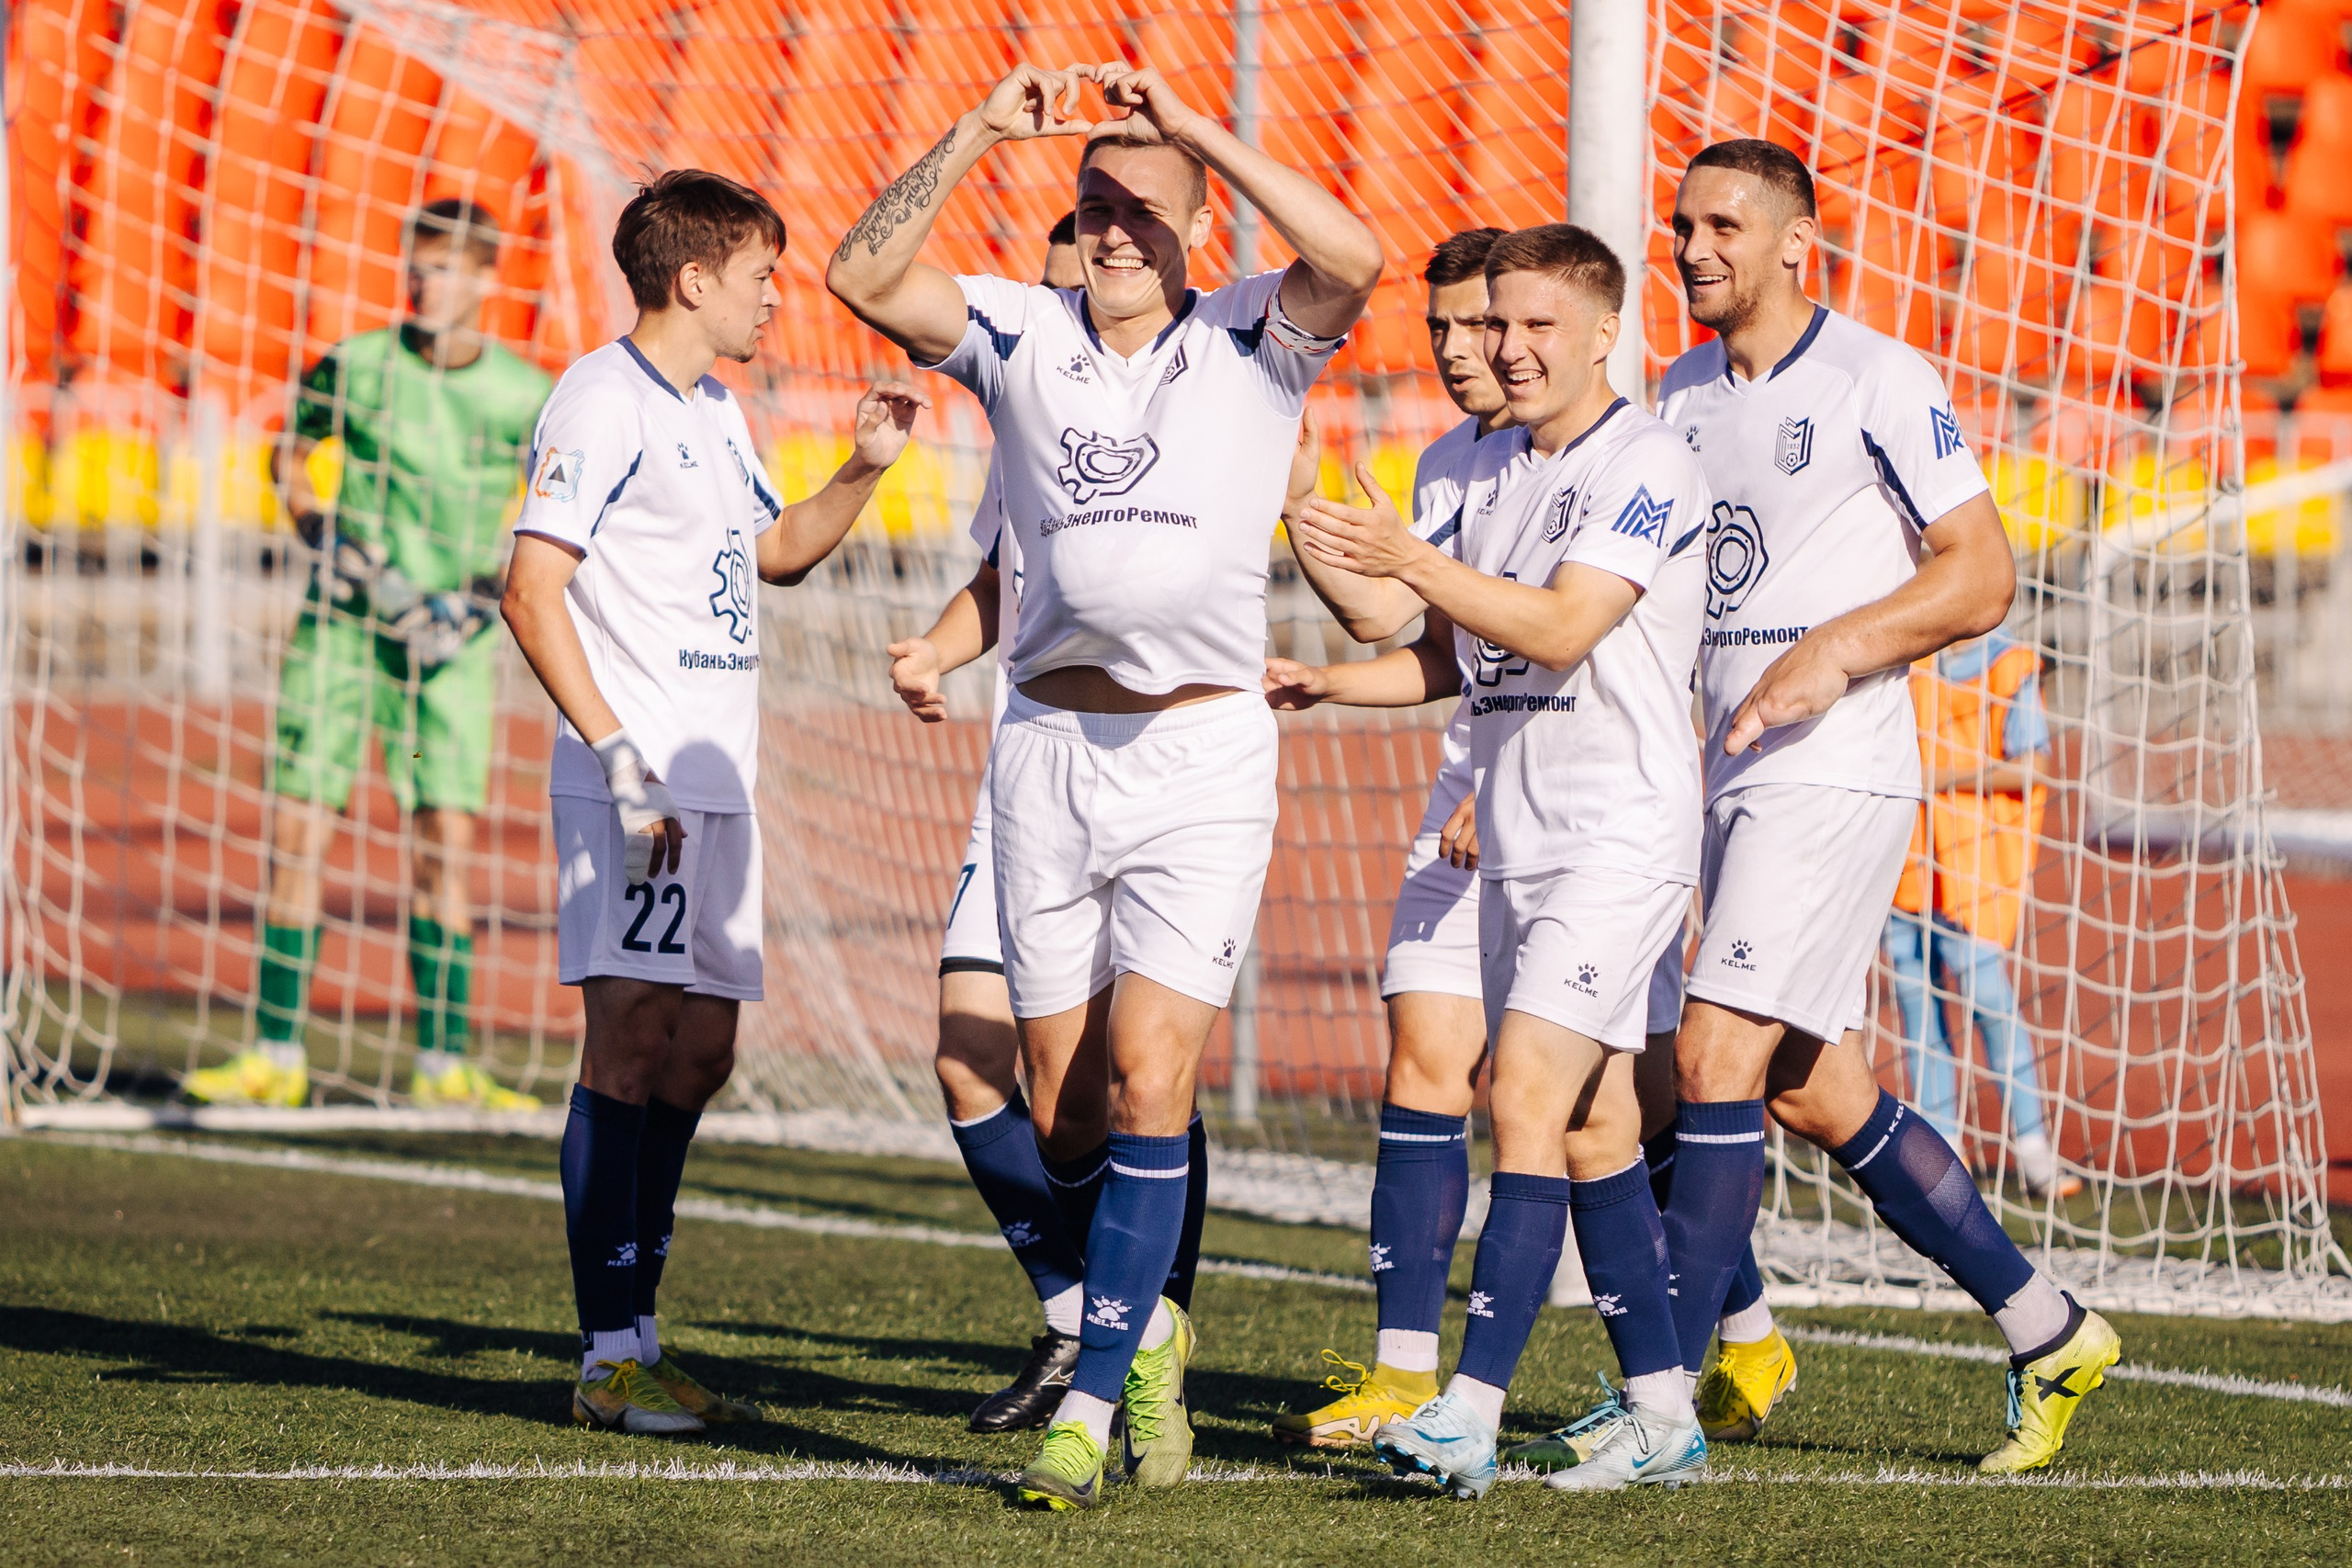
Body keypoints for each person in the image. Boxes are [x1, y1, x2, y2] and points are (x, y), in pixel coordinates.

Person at [829, 62, 1379, 1507]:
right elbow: (863, 269)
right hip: (1045, 755)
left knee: (1152, 1079)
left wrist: (1194, 129)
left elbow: (1358, 258)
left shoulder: (1260, 333)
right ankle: (1146, 1326)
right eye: (1096, 207)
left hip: (1201, 755)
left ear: (1199, 217)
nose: (1118, 228)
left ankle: (1094, 1390)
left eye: (1146, 207)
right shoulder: (1019, 328)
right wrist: (978, 133)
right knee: (1064, 1101)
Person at [1652, 139, 2117, 1476]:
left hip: (1838, 760)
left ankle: (1667, 1397)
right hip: (1730, 771)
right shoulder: (1678, 396)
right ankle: (2050, 1326)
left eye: (1726, 224)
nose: (1697, 248)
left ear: (1799, 240)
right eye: (1683, 226)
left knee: (1712, 1061)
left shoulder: (1876, 375)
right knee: (1807, 1086)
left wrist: (1834, 650)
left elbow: (1981, 575)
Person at [1277, 222, 1713, 1496]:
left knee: (1519, 1089)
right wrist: (1327, 675)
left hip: (1619, 834)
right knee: (1583, 1128)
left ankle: (1463, 1408)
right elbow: (1455, 651)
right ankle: (1661, 1410)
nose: (1503, 350)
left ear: (1597, 333)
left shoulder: (1650, 463)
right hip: (1521, 835)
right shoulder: (1505, 472)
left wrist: (1413, 559)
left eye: (1528, 327)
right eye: (1490, 325)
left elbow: (1567, 624)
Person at [502, 169, 926, 1438]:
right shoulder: (599, 395)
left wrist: (862, 467)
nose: (774, 299)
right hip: (639, 783)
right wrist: (618, 753)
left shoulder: (719, 411)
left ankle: (638, 1330)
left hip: (715, 781)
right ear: (694, 278)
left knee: (703, 1048)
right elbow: (530, 588)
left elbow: (776, 553)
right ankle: (607, 1350)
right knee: (627, 1043)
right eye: (760, 276)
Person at [886, 215, 1213, 1434]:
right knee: (976, 1056)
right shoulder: (1032, 411)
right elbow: (1001, 577)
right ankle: (1088, 1311)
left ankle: (1137, 1326)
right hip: (1030, 767)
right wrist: (935, 646)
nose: (1073, 312)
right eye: (1056, 286)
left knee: (1144, 1070)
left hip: (1165, 772)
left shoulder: (1203, 407)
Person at [187, 199, 551, 1111]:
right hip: (344, 634)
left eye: (448, 269)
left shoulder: (522, 394)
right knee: (298, 833)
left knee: (443, 848)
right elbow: (291, 450)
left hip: (446, 651)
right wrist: (328, 536)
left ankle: (443, 1064)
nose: (427, 284)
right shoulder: (355, 365)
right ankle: (276, 1053)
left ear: (487, 280)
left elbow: (553, 506)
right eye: (417, 267)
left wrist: (477, 601)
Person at [1261, 224, 1516, 1448]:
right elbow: (1419, 641)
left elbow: (1582, 639)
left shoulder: (1606, 457)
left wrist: (1514, 780)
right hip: (1464, 805)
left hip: (1579, 810)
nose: (1465, 350)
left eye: (1487, 325)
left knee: (1625, 1109)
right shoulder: (1449, 462)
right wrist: (1303, 515)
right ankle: (1405, 1372)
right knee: (1423, 1056)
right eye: (1445, 329)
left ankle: (1721, 1336)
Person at [1882, 626, 2077, 1200]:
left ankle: (2034, 1147)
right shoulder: (1905, 657)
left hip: (1974, 866)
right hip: (1907, 861)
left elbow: (2034, 765)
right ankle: (1943, 1153)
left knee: (1990, 1001)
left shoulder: (2010, 665)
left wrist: (1944, 779)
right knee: (1918, 1015)